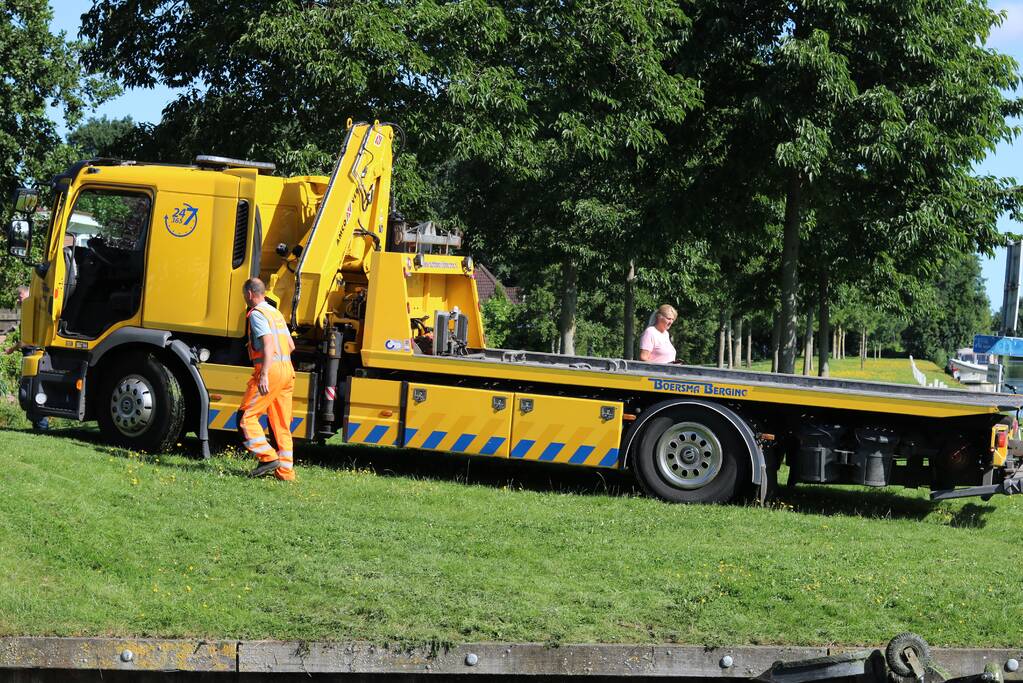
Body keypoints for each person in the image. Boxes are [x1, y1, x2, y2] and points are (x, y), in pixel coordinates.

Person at [240, 278, 296, 480]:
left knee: (246, 418)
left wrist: (264, 373)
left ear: (249, 294)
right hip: (287, 369)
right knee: (280, 423)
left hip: (270, 370)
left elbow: (268, 343)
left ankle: (268, 457)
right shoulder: (275, 313)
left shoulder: (256, 315)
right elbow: (290, 346)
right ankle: (285, 472)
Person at [5, 286, 48, 430]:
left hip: (34, 355)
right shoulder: (29, 313)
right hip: (30, 355)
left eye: (20, 296)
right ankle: (38, 426)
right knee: (29, 393)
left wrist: (12, 348)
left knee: (31, 392)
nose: (18, 299)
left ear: (29, 296)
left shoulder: (34, 314)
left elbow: (27, 341)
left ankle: (42, 427)